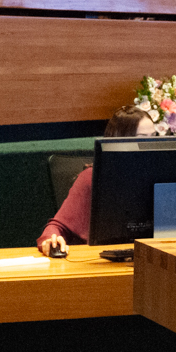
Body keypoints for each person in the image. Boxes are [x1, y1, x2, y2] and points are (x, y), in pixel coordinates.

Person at [37, 107, 156, 255]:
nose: (151, 144)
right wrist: (51, 240)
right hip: (99, 259)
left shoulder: (162, 177)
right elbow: (57, 227)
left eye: (154, 137)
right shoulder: (90, 178)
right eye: (142, 138)